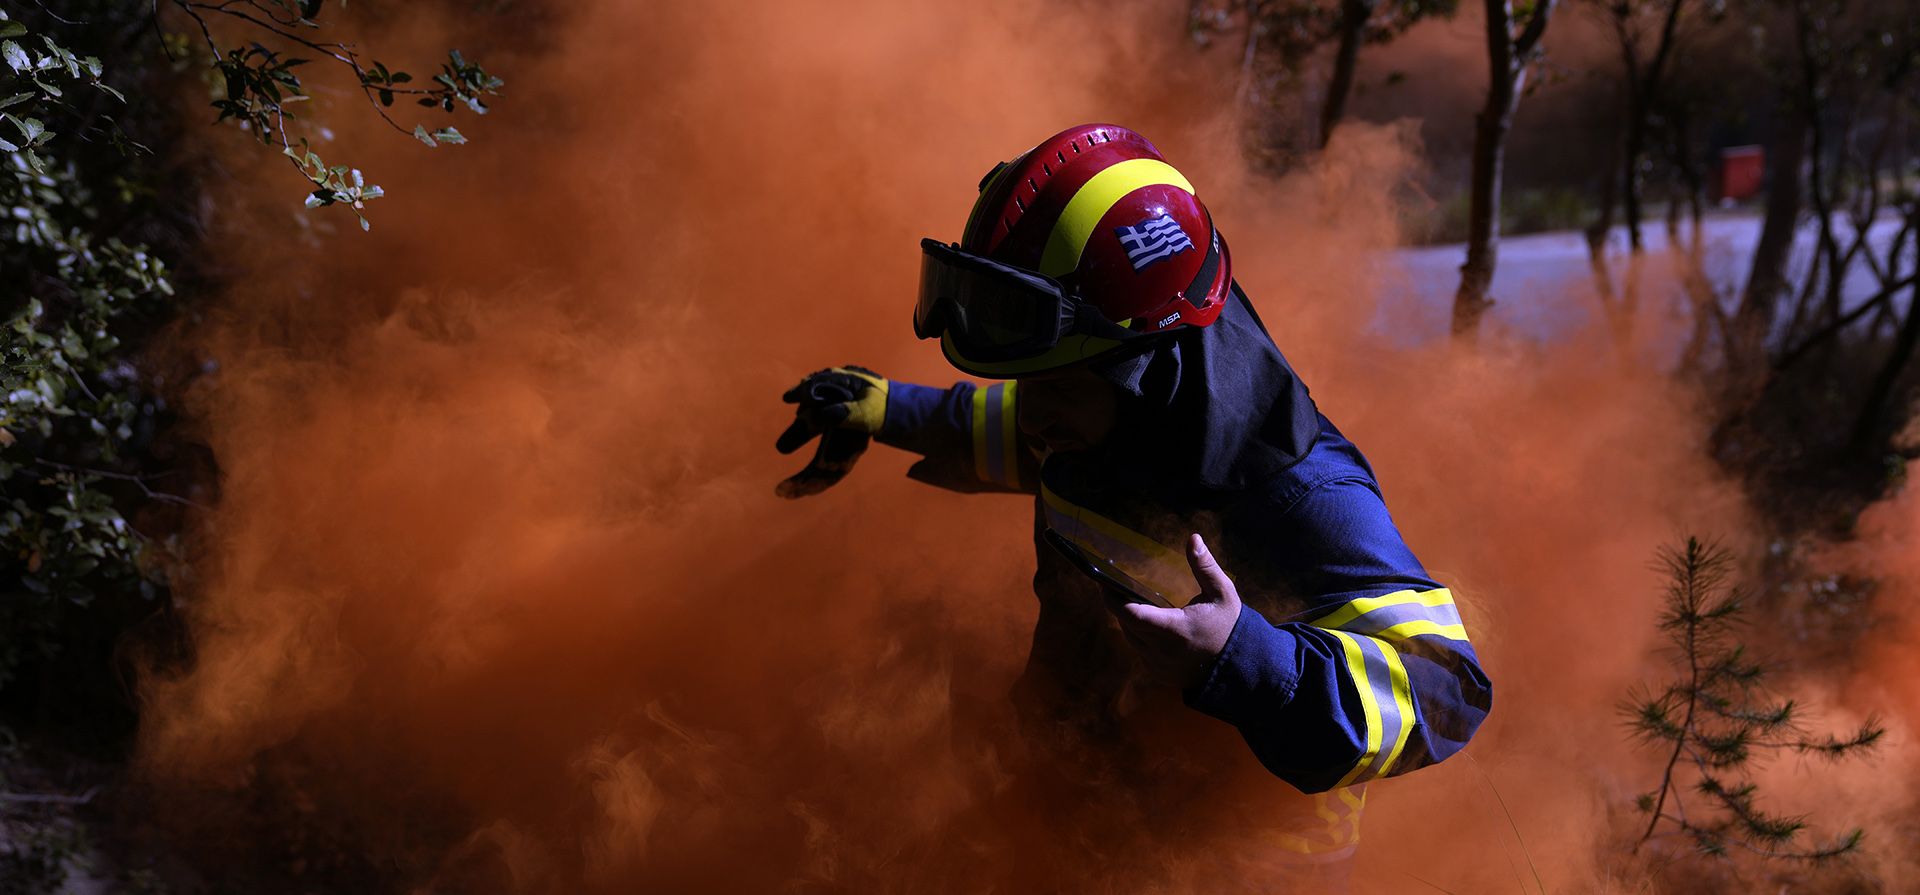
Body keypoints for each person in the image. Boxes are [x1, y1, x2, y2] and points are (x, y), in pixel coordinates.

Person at [775, 123, 1491, 888]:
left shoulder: (1298, 492)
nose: (1031, 410)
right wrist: (885, 410)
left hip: (1241, 867)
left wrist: (1242, 655)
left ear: (1145, 368)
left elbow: (1447, 691)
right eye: (1027, 383)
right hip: (1085, 817)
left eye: (1052, 387)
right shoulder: (1094, 423)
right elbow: (1019, 434)